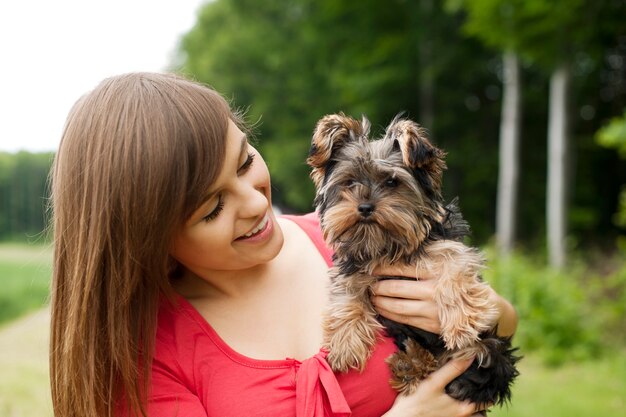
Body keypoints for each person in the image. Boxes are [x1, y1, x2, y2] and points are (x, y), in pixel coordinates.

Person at [49, 72, 518, 417]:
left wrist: (494, 312)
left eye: (245, 161)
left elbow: (495, 326)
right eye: (212, 208)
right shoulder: (145, 362)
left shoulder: (359, 240)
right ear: (148, 238)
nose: (255, 203)